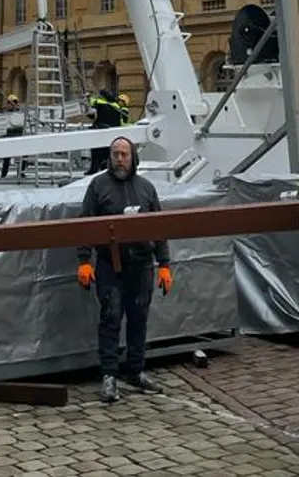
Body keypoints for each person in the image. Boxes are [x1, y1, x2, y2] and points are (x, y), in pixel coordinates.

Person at [76, 135, 174, 404]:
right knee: (110, 318)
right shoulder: (98, 187)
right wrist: (84, 260)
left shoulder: (146, 189)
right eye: (115, 154)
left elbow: (159, 228)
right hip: (110, 266)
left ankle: (136, 370)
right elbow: (86, 224)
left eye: (124, 154)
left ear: (133, 158)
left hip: (141, 266)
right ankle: (109, 375)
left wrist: (164, 264)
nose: (120, 159)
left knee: (139, 319)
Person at [87, 87, 128, 173]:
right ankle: (104, 167)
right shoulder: (116, 106)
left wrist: (88, 97)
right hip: (113, 131)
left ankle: (95, 169)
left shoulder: (99, 102)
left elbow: (91, 111)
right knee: (107, 151)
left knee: (96, 150)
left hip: (100, 129)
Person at [0, 93, 24, 178]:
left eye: (12, 103)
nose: (9, 105)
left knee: (24, 156)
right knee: (6, 159)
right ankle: (3, 175)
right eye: (9, 103)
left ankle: (21, 173)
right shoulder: (6, 114)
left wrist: (18, 110)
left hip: (19, 137)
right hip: (9, 138)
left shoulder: (20, 113)